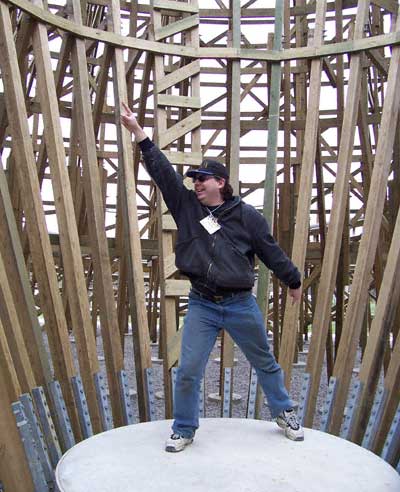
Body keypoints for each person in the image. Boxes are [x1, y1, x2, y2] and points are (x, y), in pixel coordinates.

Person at [121, 103, 304, 452]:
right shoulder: (187, 206)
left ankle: (284, 413)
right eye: (194, 180)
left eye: (202, 179)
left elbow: (269, 251)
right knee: (189, 369)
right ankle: (185, 428)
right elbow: (164, 174)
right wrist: (140, 135)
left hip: (239, 303)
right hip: (203, 303)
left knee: (264, 360)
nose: (196, 184)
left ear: (220, 182)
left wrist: (292, 280)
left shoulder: (246, 216)